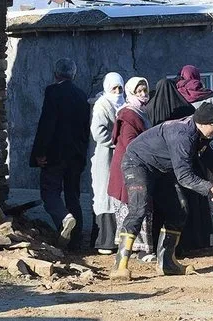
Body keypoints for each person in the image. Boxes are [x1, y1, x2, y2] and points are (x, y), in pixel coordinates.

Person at [111, 103, 213, 280]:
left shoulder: (202, 134)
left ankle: (166, 263)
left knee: (179, 210)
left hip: (161, 169)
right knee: (139, 209)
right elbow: (184, 176)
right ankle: (120, 265)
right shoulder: (182, 135)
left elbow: (211, 159)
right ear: (204, 123)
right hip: (137, 163)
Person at [29, 58, 90, 251]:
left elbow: (47, 123)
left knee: (50, 192)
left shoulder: (53, 92)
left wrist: (39, 152)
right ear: (74, 74)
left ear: (56, 74)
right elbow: (84, 129)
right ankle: (76, 240)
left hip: (55, 154)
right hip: (76, 155)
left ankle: (64, 219)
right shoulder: (82, 95)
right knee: (73, 195)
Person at [175, 65, 213, 251]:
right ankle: (209, 234)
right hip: (206, 144)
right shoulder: (209, 95)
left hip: (187, 148)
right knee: (212, 189)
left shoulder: (178, 93)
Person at [108, 77, 155, 261]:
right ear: (131, 93)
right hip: (129, 167)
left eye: (145, 91)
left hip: (138, 164)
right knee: (135, 206)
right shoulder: (128, 115)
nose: (144, 95)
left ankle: (135, 248)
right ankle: (135, 248)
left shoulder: (140, 112)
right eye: (139, 91)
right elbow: (129, 143)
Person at [91, 72, 125, 255]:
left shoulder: (124, 104)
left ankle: (117, 238)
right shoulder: (102, 105)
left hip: (120, 156)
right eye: (114, 88)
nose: (118, 91)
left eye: (120, 87)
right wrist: (116, 142)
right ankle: (105, 240)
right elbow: (98, 132)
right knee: (104, 194)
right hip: (105, 156)